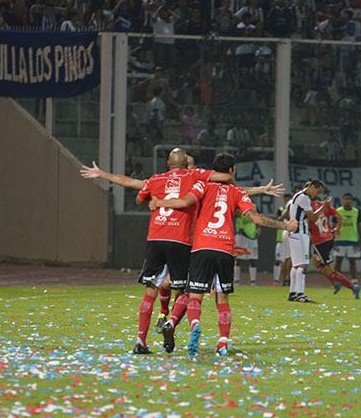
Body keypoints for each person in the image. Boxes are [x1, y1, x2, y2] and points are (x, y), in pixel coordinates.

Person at [79, 150, 283, 354]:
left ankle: (142, 339)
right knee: (187, 291)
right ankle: (173, 321)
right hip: (184, 241)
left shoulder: (158, 179)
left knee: (152, 289)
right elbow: (227, 183)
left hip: (156, 236)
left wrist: (103, 174)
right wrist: (260, 189)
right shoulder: (196, 177)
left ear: (168, 162)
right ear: (186, 164)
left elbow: (132, 183)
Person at [149, 153, 297, 357]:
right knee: (222, 299)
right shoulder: (236, 192)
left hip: (199, 246)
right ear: (232, 170)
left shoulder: (201, 185)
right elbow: (256, 218)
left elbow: (183, 201)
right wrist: (285, 225)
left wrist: (159, 204)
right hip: (224, 248)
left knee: (192, 294)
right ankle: (222, 343)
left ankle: (190, 324)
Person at [309, 197, 361, 299]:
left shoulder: (308, 207)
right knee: (315, 261)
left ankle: (353, 287)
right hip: (329, 237)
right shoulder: (324, 205)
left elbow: (310, 220)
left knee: (328, 269)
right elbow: (339, 216)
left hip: (320, 241)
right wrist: (338, 228)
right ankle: (335, 283)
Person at [287, 180, 329, 303]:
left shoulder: (297, 195)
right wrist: (324, 207)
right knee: (303, 264)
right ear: (311, 186)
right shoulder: (304, 198)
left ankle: (292, 293)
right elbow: (314, 218)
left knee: (295, 264)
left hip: (293, 232)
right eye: (317, 191)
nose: (317, 195)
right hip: (300, 233)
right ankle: (300, 294)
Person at [333, 193, 361, 284]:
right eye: (345, 199)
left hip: (352, 241)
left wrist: (360, 241)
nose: (347, 201)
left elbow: (359, 227)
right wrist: (332, 241)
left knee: (352, 262)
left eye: (349, 199)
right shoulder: (338, 211)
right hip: (339, 240)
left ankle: (354, 281)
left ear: (352, 200)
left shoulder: (356, 212)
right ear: (342, 200)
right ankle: (337, 281)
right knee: (338, 262)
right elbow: (333, 226)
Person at [234, 211, 259, 285]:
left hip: (252, 238)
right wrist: (249, 236)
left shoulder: (254, 207)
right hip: (241, 237)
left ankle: (253, 282)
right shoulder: (241, 207)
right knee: (238, 259)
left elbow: (258, 221)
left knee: (253, 259)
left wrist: (258, 229)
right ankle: (236, 281)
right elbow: (240, 227)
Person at [273, 193, 292, 286]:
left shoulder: (292, 209)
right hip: (281, 237)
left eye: (288, 198)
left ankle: (285, 279)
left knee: (287, 259)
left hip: (287, 236)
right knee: (281, 260)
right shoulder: (281, 210)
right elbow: (278, 220)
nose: (286, 200)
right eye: (285, 198)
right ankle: (277, 280)